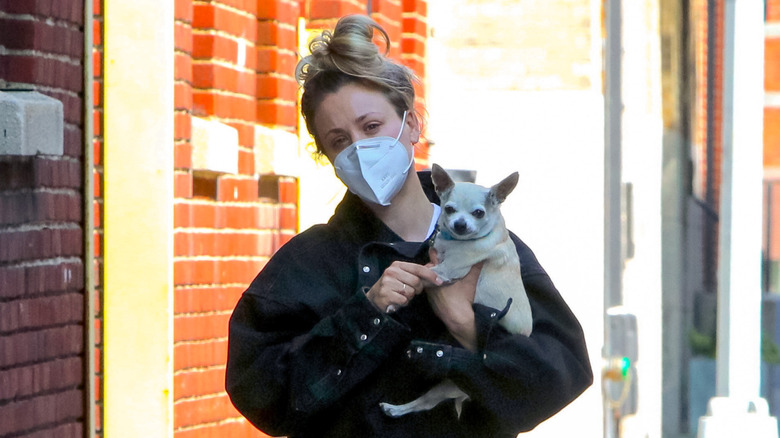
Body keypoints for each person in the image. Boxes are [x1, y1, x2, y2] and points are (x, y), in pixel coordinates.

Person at [226, 14, 593, 438]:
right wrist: (368, 312)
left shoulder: (496, 248)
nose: (362, 150)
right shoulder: (310, 263)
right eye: (340, 140)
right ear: (327, 158)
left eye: (372, 126)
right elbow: (262, 396)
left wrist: (467, 324)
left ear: (412, 124)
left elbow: (559, 375)